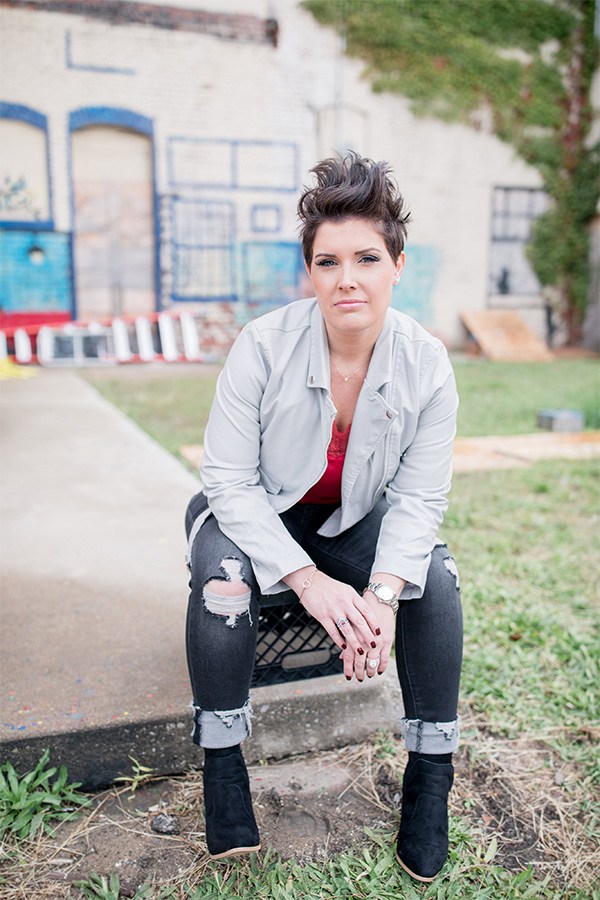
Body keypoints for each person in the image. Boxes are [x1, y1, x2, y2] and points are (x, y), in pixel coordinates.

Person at [184, 152, 463, 882]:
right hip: (255, 516)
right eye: (328, 261)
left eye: (367, 258)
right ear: (309, 272)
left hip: (356, 522)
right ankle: (223, 767)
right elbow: (228, 480)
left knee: (433, 571)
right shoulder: (262, 346)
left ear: (396, 265)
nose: (348, 279)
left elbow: (419, 499)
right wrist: (308, 582)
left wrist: (381, 595)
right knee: (223, 580)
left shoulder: (427, 364)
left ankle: (430, 779)